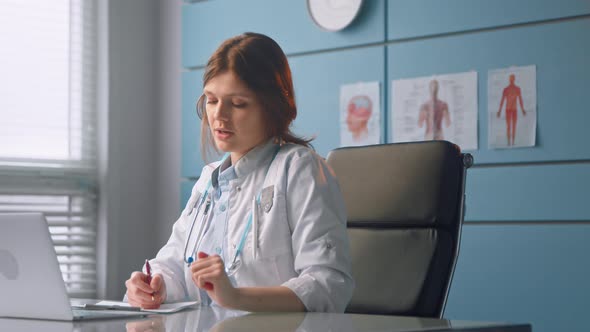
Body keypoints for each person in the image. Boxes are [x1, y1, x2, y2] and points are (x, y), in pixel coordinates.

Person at [124, 32, 354, 313]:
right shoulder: (208, 180)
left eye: (238, 104)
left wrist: (235, 297)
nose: (219, 116)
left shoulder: (300, 169)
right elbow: (174, 263)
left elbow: (327, 286)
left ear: (272, 107)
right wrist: (153, 286)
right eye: (211, 100)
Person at [496, 74, 526, 146]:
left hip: (514, 109)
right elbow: (502, 100)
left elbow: (520, 100)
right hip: (508, 109)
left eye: (512, 78)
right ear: (509, 79)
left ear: (514, 79)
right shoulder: (506, 89)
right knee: (509, 126)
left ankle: (513, 142)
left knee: (514, 126)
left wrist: (523, 110)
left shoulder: (517, 89)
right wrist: (499, 111)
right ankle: (509, 142)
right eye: (510, 78)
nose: (511, 80)